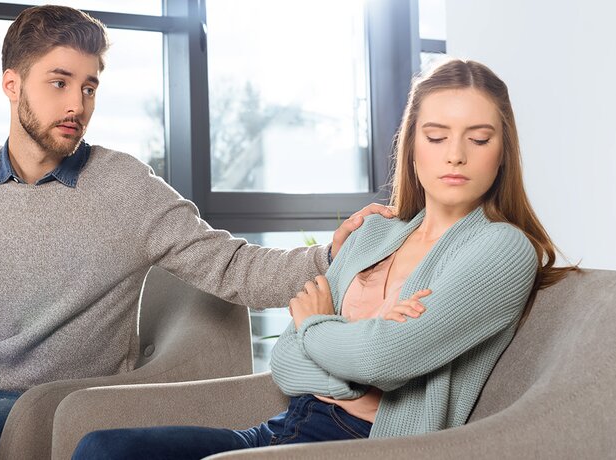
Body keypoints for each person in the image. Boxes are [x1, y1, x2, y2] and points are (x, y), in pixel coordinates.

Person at [0, 5, 390, 460]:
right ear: (12, 85)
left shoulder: (126, 186)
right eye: (59, 82)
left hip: (65, 398)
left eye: (89, 86)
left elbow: (232, 266)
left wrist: (334, 253)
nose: (77, 104)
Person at [72, 58, 577, 459]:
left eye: (479, 138)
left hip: (362, 445)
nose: (456, 155)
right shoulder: (374, 233)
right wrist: (361, 357)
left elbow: (385, 360)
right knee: (102, 449)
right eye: (437, 136)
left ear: (502, 150)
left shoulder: (503, 249)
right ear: (412, 148)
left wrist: (318, 326)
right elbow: (287, 362)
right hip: (284, 428)